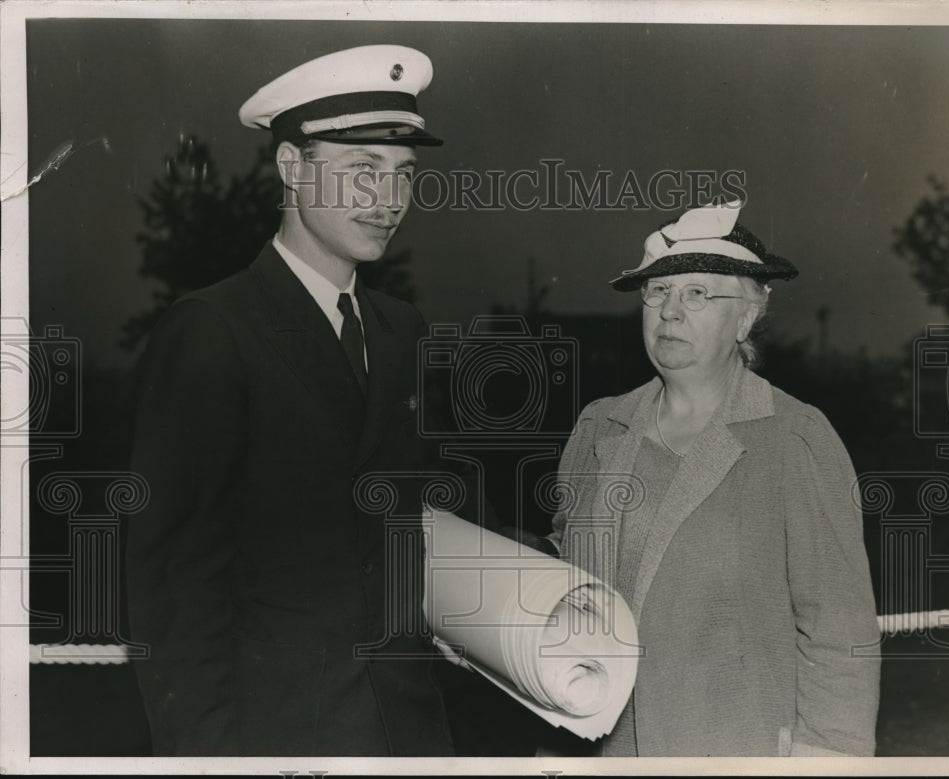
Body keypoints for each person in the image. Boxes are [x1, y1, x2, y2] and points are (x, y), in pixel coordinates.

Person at [126, 45, 459, 756]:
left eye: (403, 175)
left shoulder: (401, 331)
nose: (388, 200)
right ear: (289, 167)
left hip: (407, 734)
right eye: (362, 171)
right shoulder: (213, 330)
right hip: (274, 740)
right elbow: (175, 591)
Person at [543, 200, 881, 756]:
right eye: (658, 292)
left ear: (746, 317)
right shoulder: (601, 424)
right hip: (603, 747)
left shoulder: (794, 438)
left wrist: (828, 761)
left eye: (697, 293)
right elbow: (569, 563)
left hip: (734, 748)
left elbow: (839, 630)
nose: (670, 312)